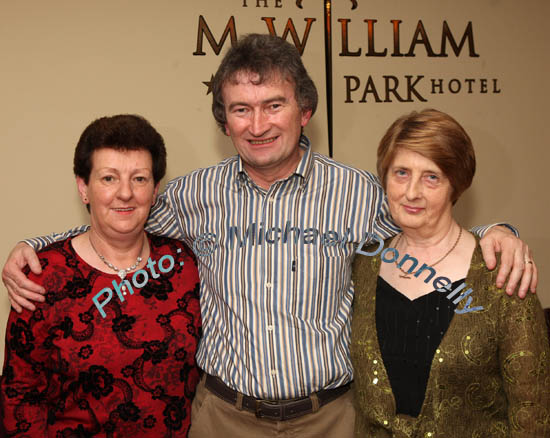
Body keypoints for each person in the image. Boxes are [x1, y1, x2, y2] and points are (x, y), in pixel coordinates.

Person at [1, 35, 536, 438]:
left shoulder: (357, 193)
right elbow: (122, 210)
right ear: (224, 121)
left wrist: (496, 231)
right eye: (240, 109)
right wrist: (39, 245)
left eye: (273, 105)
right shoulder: (194, 195)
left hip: (329, 417)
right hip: (222, 418)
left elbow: (426, 223)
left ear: (304, 111)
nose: (258, 124)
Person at [350, 109, 550, 437]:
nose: (411, 192)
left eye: (431, 177)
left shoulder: (501, 275)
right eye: (401, 173)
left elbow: (532, 413)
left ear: (455, 185)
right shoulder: (365, 265)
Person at [0, 115, 202, 437]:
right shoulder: (42, 277)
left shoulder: (183, 263)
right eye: (109, 178)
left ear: (155, 190)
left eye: (139, 179)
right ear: (83, 187)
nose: (125, 193)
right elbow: (21, 395)